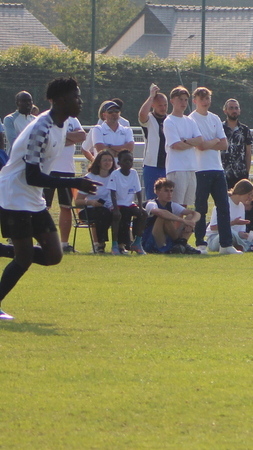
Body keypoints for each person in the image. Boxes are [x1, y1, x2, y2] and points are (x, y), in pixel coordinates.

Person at [0, 78, 99, 317]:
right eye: (76, 96)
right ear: (62, 100)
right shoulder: (40, 128)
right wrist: (75, 181)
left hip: (32, 197)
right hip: (15, 195)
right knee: (23, 259)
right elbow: (32, 175)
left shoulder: (62, 124)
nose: (80, 101)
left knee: (54, 255)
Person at [184, 87, 237, 254]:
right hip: (200, 170)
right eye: (201, 98)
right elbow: (200, 145)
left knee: (223, 206)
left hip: (217, 169)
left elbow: (224, 144)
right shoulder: (191, 119)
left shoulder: (215, 118)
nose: (205, 101)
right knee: (201, 207)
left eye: (207, 98)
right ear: (195, 101)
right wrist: (214, 141)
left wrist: (211, 142)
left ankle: (226, 245)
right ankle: (200, 243)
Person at [160, 86, 199, 212]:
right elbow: (176, 145)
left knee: (185, 206)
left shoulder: (190, 121)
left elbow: (200, 140)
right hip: (177, 169)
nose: (183, 102)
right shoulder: (169, 121)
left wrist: (185, 141)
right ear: (172, 101)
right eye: (180, 99)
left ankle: (181, 225)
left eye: (185, 100)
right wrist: (191, 142)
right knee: (176, 206)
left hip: (191, 168)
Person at [76, 149, 117, 253]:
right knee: (103, 213)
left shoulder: (115, 176)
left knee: (121, 213)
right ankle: (99, 244)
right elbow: (78, 201)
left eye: (110, 160)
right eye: (104, 160)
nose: (108, 163)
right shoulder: (90, 178)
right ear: (98, 162)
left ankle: (121, 245)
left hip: (108, 208)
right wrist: (91, 202)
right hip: (89, 209)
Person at [205, 180, 253, 251]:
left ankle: (242, 246)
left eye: (252, 195)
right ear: (242, 191)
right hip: (216, 238)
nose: (251, 198)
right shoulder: (224, 203)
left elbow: (240, 233)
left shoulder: (241, 206)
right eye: (249, 194)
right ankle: (248, 247)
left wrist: (245, 235)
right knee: (230, 232)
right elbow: (213, 227)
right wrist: (233, 223)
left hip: (235, 237)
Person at [107, 149, 145, 254]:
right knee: (117, 216)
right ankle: (115, 245)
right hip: (117, 204)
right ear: (119, 162)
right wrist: (115, 209)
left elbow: (138, 191)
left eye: (130, 160)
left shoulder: (134, 173)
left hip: (129, 204)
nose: (128, 163)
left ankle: (137, 242)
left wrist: (140, 206)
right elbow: (113, 193)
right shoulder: (115, 174)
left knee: (144, 214)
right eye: (125, 160)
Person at [135, 84, 169, 199]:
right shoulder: (149, 119)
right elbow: (142, 114)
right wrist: (151, 96)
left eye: (165, 105)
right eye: (160, 105)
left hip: (169, 165)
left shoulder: (170, 120)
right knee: (153, 198)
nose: (163, 108)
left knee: (169, 198)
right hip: (152, 166)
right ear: (153, 105)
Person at [220, 99, 253, 189]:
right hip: (222, 173)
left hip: (240, 174)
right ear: (225, 111)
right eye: (231, 108)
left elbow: (248, 153)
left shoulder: (245, 130)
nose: (234, 110)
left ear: (239, 111)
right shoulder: (220, 128)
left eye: (236, 108)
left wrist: (247, 172)